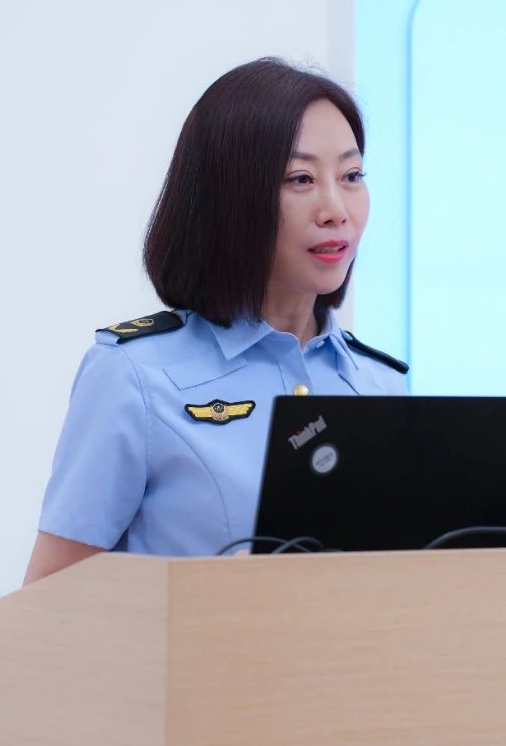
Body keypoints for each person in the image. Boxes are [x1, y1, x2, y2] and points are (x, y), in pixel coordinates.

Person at [22, 58, 408, 584]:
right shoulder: (134, 376)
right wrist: (216, 593)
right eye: (300, 179)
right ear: (230, 197)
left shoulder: (382, 385)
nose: (336, 209)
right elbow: (49, 602)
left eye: (352, 176)